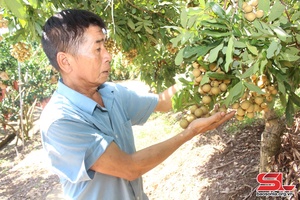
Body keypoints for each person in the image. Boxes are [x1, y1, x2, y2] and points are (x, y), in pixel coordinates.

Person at [40, 9, 235, 200]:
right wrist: (190, 132)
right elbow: (129, 168)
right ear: (65, 62)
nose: (108, 56)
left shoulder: (111, 94)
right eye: (98, 49)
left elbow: (163, 102)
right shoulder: (60, 122)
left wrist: (202, 69)